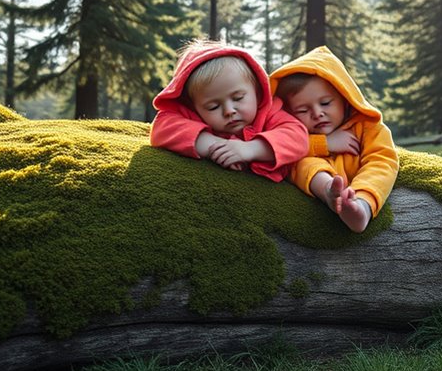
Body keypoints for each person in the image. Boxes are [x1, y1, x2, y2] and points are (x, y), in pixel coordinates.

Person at [269, 46, 399, 233]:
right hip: (321, 185)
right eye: (303, 111)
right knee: (300, 162)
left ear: (344, 98)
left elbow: (382, 160)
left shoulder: (368, 127)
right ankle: (329, 192)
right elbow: (279, 148)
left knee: (380, 166)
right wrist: (324, 143)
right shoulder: (295, 132)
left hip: (362, 185)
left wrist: (363, 196)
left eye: (325, 103)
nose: (317, 113)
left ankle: (361, 209)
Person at [150, 39, 308, 182]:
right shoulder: (193, 115)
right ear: (195, 106)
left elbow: (298, 137)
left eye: (238, 98)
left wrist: (249, 149)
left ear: (257, 91)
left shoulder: (269, 112)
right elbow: (161, 128)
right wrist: (217, 146)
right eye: (213, 106)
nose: (229, 111)